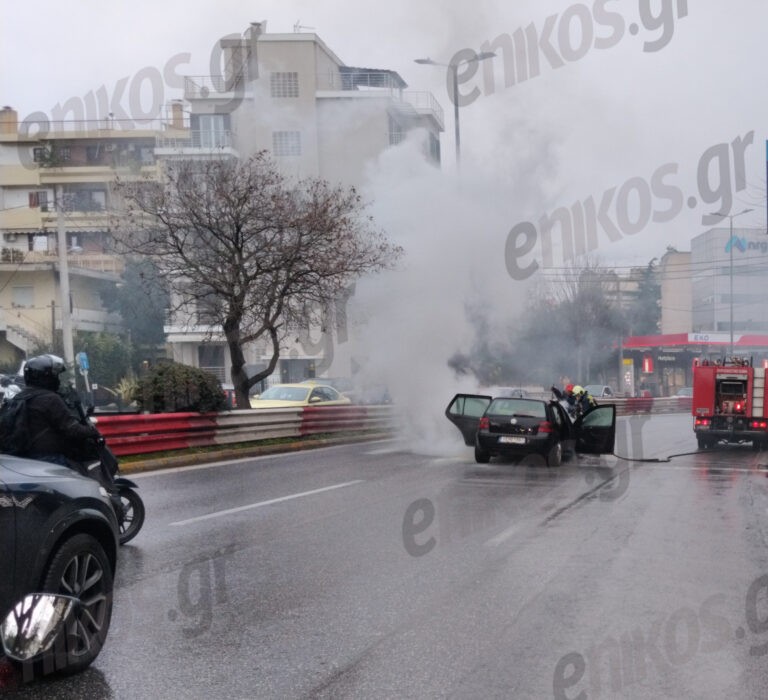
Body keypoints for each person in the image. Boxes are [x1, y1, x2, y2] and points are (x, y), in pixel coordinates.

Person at [10, 354, 99, 470]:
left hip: (21, 458)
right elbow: (72, 430)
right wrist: (92, 431)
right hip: (49, 459)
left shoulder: (19, 397)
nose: (57, 380)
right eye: (55, 376)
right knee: (82, 480)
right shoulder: (50, 399)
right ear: (46, 377)